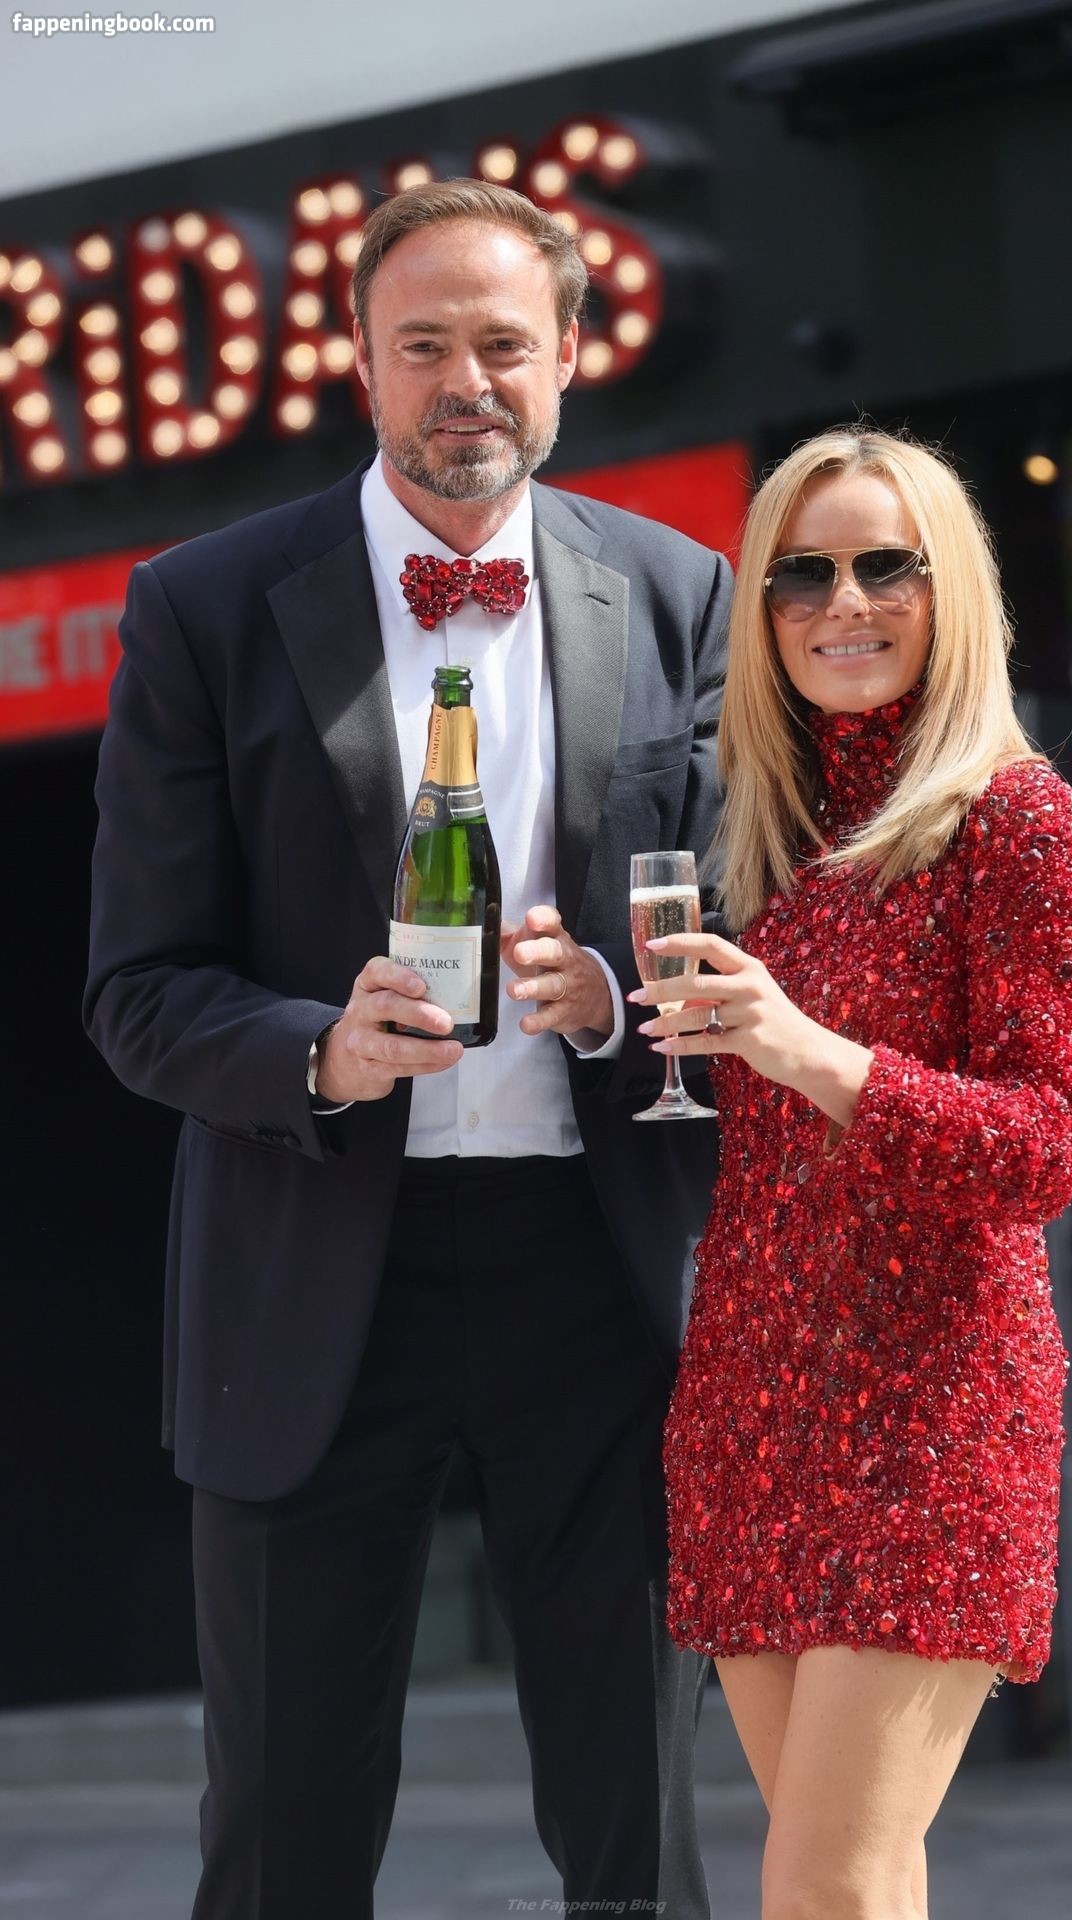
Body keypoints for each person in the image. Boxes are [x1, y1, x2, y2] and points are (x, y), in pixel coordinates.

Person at [84, 181, 731, 1920]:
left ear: (570, 355)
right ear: (359, 364)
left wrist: (619, 997)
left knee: (639, 1827)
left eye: (502, 342)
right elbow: (137, 988)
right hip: (312, 1266)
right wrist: (321, 1052)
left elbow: (739, 929)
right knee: (283, 1835)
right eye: (423, 343)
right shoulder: (203, 604)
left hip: (597, 1271)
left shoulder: (681, 589)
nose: (466, 382)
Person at [630, 428, 1072, 1920]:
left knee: (825, 1890)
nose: (841, 604)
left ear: (948, 589)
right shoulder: (771, 838)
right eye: (801, 575)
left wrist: (809, 1051)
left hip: (930, 1415)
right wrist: (614, 1008)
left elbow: (1046, 1147)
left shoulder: (1021, 826)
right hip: (752, 1406)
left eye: (883, 566)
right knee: (855, 1885)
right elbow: (752, 1124)